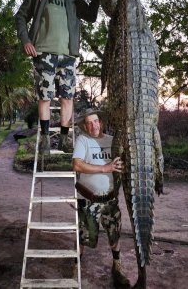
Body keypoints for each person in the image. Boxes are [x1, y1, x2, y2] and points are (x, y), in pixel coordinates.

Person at [15, 0, 99, 154]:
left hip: (68, 56)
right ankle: (45, 140)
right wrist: (26, 41)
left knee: (68, 98)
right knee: (45, 97)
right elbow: (20, 16)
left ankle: (63, 140)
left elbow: (91, 16)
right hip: (44, 53)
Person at [72, 108, 130, 287]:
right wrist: (105, 168)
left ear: (101, 123)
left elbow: (122, 163)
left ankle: (117, 264)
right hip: (88, 200)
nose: (93, 125)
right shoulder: (83, 140)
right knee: (84, 235)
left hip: (111, 199)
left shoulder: (112, 141)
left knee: (115, 234)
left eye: (95, 121)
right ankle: (76, 265)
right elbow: (77, 165)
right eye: (88, 123)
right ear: (85, 126)